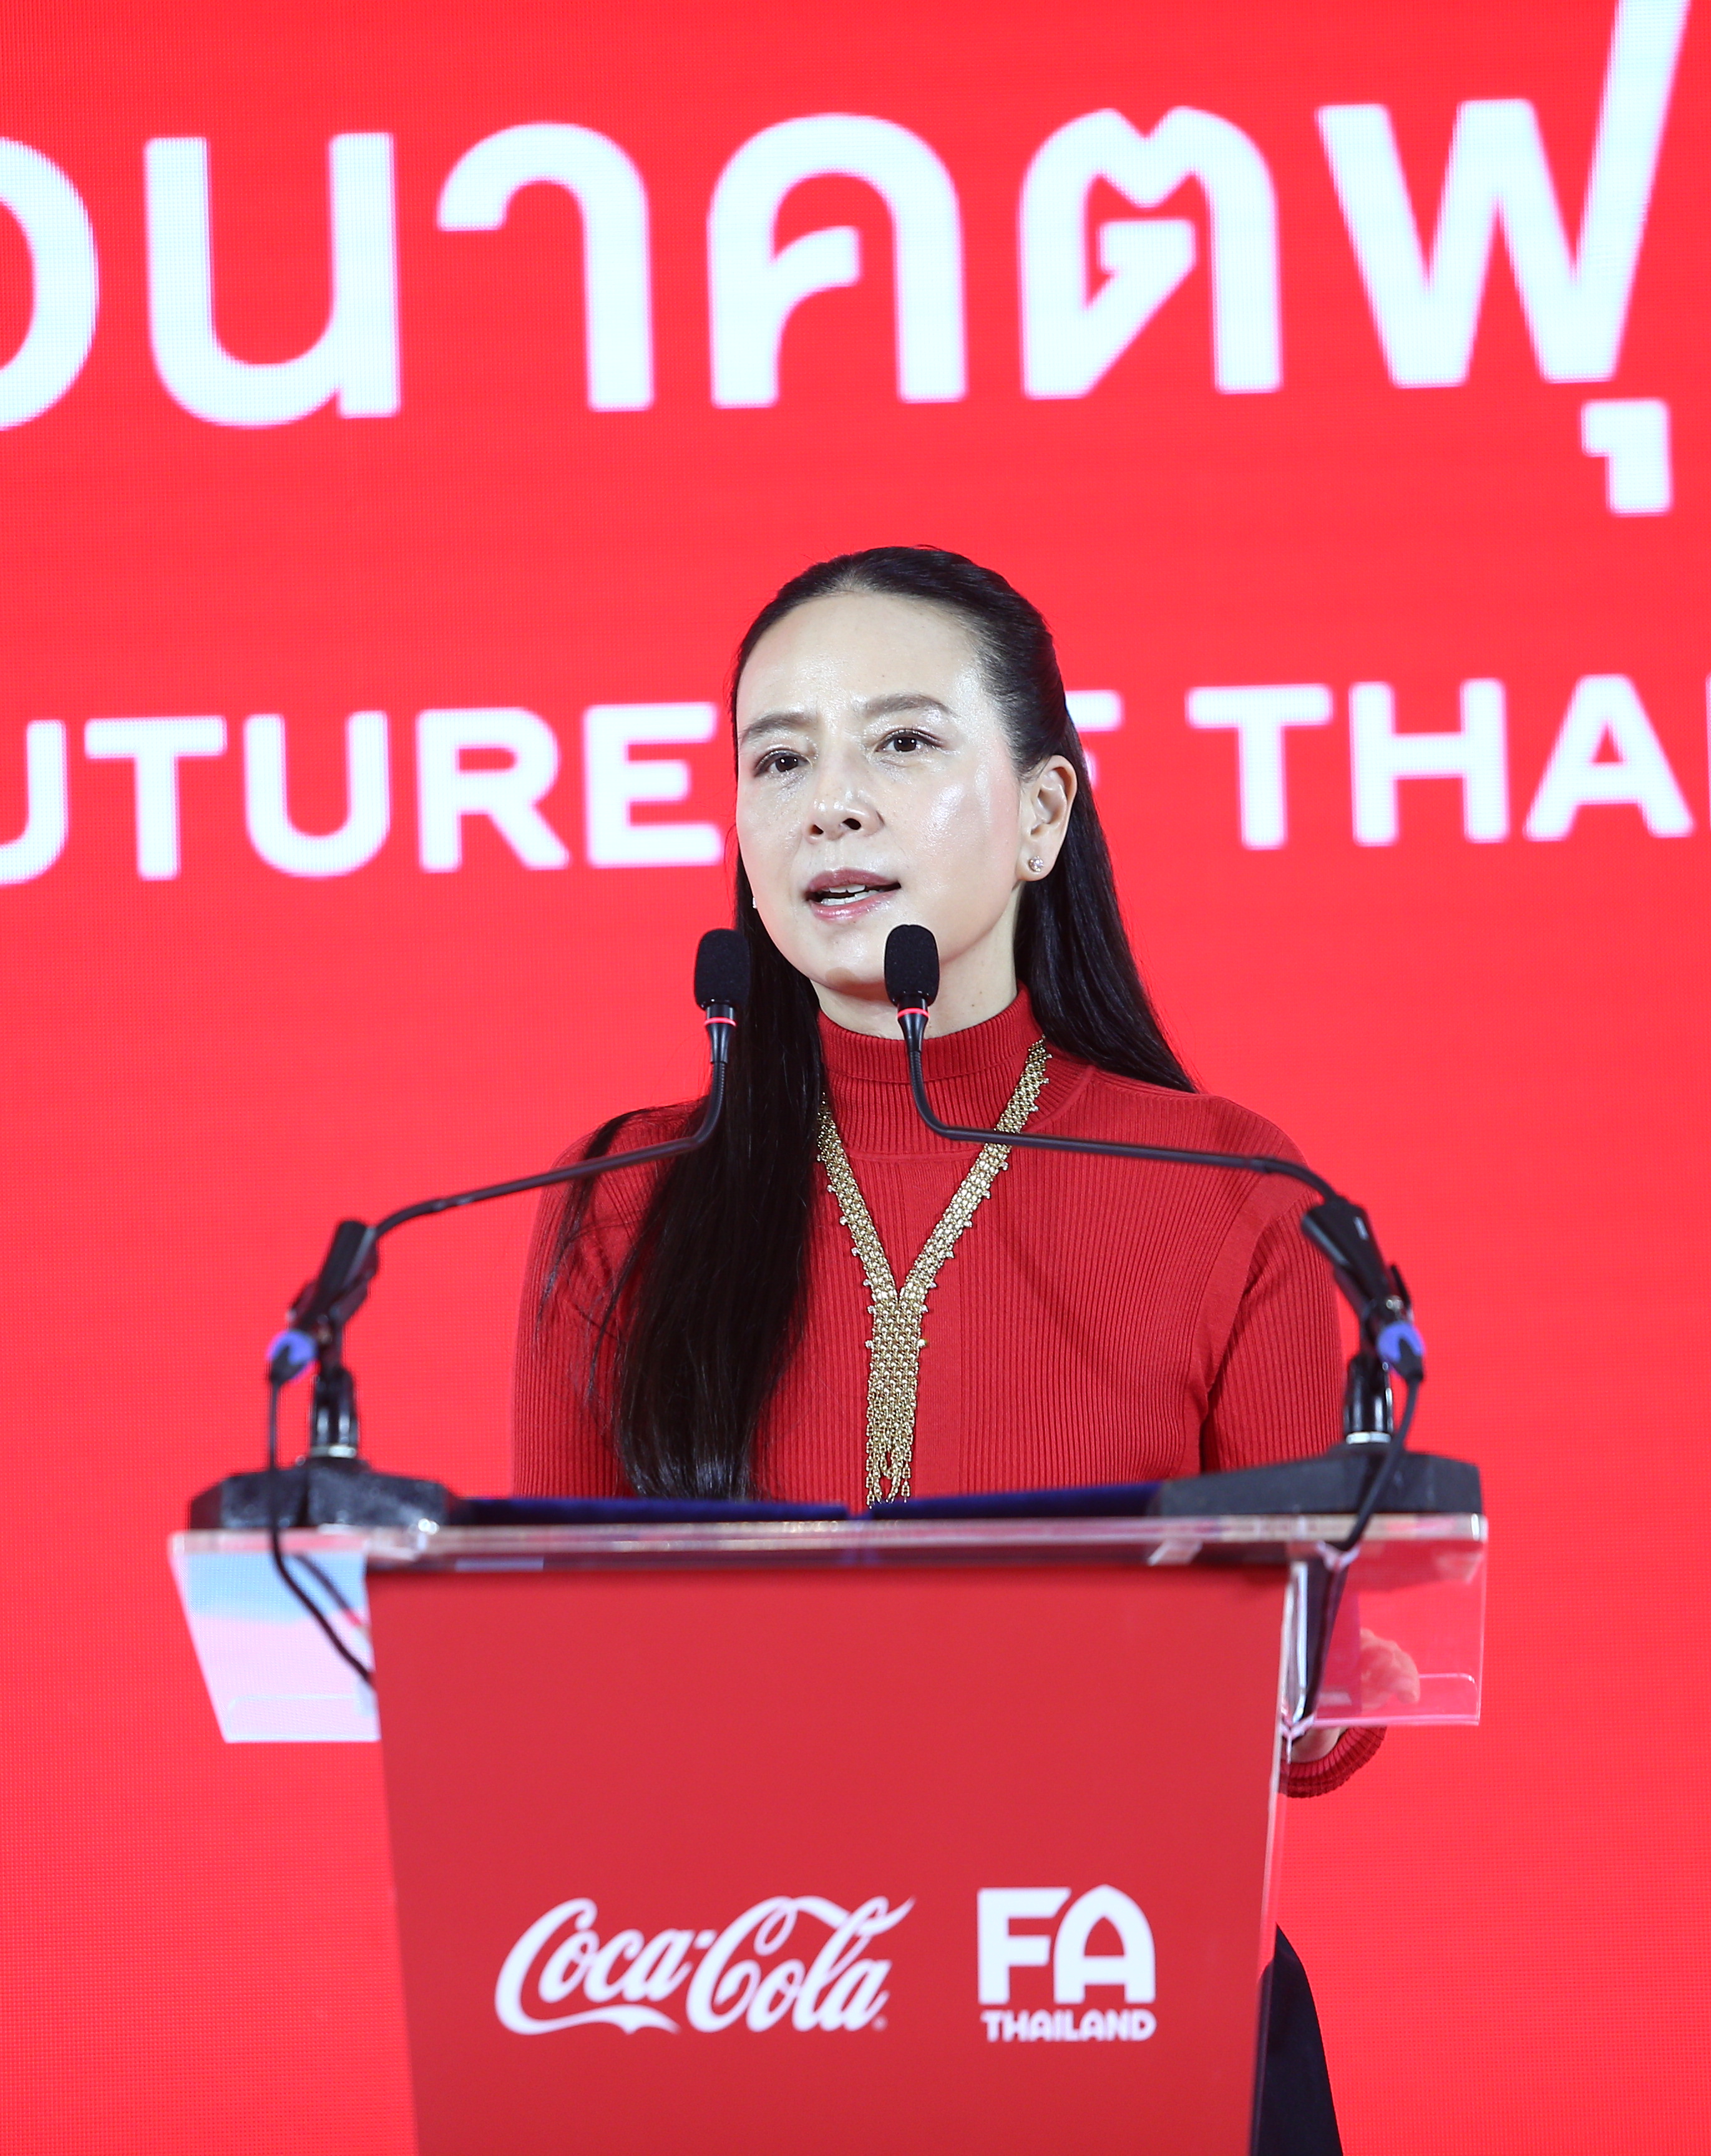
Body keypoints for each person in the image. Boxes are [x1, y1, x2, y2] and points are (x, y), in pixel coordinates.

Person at [510, 545, 1372, 2153]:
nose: (831, 805)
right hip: (750, 2028)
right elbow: (547, 1701)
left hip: (1122, 2009)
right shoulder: (630, 1201)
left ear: (1044, 814)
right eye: (780, 761)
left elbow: (1323, 1732)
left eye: (902, 742)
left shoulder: (1225, 1191)